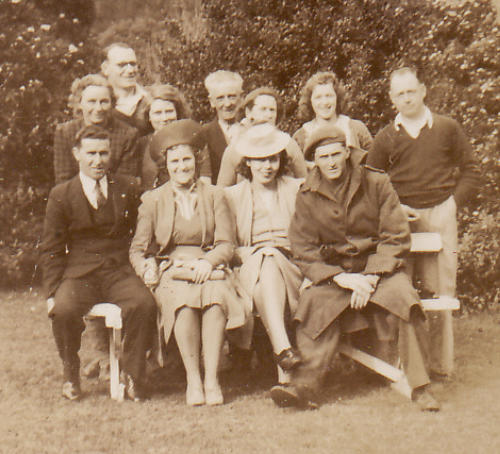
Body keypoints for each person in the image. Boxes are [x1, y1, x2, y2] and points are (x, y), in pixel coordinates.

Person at [270, 126, 439, 411]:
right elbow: (304, 249)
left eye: (336, 154)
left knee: (405, 300)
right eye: (324, 157)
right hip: (337, 277)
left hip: (380, 272)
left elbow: (395, 236)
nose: (331, 163)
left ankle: (420, 387)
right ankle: (304, 386)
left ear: (347, 153)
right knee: (313, 303)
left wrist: (371, 276)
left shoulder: (376, 182)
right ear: (315, 161)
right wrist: (341, 278)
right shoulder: (307, 193)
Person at [367, 67, 480, 378]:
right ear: (392, 99)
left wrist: (452, 204)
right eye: (400, 94)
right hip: (400, 220)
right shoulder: (386, 137)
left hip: (440, 215)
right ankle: (401, 365)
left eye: (411, 91)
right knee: (398, 289)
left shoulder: (447, 128)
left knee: (441, 291)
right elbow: (370, 181)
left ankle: (440, 366)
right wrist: (395, 207)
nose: (407, 98)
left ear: (423, 90)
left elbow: (471, 170)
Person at [129, 119, 251, 406]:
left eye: (186, 160)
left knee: (215, 298)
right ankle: (193, 380)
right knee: (182, 301)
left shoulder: (215, 195)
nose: (181, 167)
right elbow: (137, 249)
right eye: (174, 161)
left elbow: (226, 243)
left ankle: (212, 380)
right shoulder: (152, 200)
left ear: (196, 161)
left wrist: (208, 262)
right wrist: (146, 268)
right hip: (172, 270)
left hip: (210, 267)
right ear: (166, 165)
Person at [40, 125, 156, 401]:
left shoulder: (127, 187)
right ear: (77, 154)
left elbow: (142, 232)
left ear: (110, 153)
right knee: (63, 310)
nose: (98, 160)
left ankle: (133, 375)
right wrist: (51, 292)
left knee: (144, 304)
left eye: (103, 153)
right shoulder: (61, 194)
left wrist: (146, 261)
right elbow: (52, 248)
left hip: (118, 271)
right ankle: (71, 373)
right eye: (91, 153)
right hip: (80, 274)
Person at [224, 124, 304, 386]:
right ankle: (284, 355)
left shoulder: (296, 188)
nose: (267, 166)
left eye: (272, 159)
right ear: (248, 162)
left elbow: (309, 236)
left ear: (281, 161)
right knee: (266, 259)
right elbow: (227, 245)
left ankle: (282, 356)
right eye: (259, 160)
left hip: (292, 263)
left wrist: (272, 252)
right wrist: (250, 253)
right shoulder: (232, 196)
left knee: (268, 265)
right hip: (249, 265)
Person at [53, 73, 140, 184]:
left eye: (104, 102)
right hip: (75, 193)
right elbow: (63, 181)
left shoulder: (128, 134)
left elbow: (125, 182)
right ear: (79, 103)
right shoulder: (65, 132)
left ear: (112, 103)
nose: (98, 108)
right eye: (92, 101)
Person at [217, 87, 307, 186]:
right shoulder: (235, 148)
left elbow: (304, 182)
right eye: (263, 109)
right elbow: (222, 190)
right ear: (248, 112)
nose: (269, 115)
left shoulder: (288, 144)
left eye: (272, 110)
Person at [293, 71, 373, 165]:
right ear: (310, 101)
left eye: (329, 96)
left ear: (337, 98)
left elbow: (373, 163)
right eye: (318, 97)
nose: (325, 102)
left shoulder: (357, 128)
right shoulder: (300, 137)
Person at [138, 84, 197, 190]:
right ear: (149, 116)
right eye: (158, 113)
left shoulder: (192, 141)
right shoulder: (141, 144)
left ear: (178, 113)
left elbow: (205, 181)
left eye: (169, 111)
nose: (164, 118)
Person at [197, 70, 245, 183]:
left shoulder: (251, 131)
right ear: (212, 101)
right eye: (220, 98)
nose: (227, 104)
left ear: (241, 98)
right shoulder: (203, 134)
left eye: (232, 97)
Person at [101, 42, 152, 136]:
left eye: (133, 64)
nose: (130, 70)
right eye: (121, 65)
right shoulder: (97, 103)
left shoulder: (151, 98)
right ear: (105, 69)